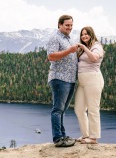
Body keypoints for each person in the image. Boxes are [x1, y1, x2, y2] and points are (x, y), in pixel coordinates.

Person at [46, 14, 78, 147]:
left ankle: (63, 136)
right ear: (59, 25)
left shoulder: (68, 38)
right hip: (59, 78)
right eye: (67, 25)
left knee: (62, 110)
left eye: (71, 25)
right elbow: (51, 56)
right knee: (57, 109)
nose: (69, 27)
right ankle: (58, 138)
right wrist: (70, 50)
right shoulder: (55, 37)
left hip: (69, 79)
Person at [74, 26, 104, 144]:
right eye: (82, 34)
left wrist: (84, 48)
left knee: (93, 109)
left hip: (93, 80)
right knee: (79, 108)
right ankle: (85, 134)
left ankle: (93, 137)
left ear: (91, 34)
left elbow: (94, 58)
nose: (84, 36)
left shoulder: (97, 46)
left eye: (86, 34)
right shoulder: (83, 48)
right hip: (82, 82)